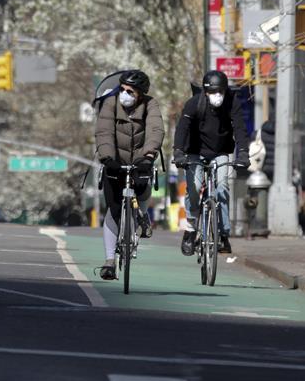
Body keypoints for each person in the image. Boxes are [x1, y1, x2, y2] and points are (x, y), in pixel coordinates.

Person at [94, 70, 164, 280]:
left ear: (140, 94)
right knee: (113, 209)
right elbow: (104, 132)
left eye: (130, 91)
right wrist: (108, 158)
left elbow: (156, 130)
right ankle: (109, 261)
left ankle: (142, 215)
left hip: (141, 160)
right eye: (122, 89)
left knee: (143, 189)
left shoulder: (151, 105)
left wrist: (149, 155)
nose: (124, 94)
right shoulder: (110, 104)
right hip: (115, 161)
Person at [173, 70, 249, 256]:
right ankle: (191, 229)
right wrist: (178, 152)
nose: (218, 95)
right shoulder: (194, 103)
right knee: (194, 187)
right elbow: (182, 128)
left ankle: (223, 234)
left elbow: (240, 128)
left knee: (222, 187)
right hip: (195, 153)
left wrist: (243, 153)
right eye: (213, 92)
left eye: (221, 91)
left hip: (220, 152)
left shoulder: (232, 102)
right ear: (205, 92)